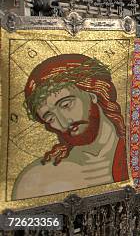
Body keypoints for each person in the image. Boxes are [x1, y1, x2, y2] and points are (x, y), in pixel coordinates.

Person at [12, 54, 128, 199]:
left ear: (93, 92)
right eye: (50, 118)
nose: (63, 122)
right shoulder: (36, 179)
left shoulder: (137, 149)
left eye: (66, 104)